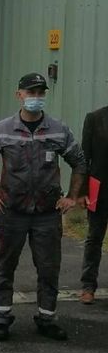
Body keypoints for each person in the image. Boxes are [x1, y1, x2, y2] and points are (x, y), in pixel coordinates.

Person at [0, 72, 86, 342]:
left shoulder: (58, 129)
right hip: (10, 213)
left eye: (40, 93)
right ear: (19, 95)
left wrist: (72, 196)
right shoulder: (3, 130)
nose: (35, 98)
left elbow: (78, 161)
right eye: (30, 93)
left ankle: (46, 318)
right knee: (4, 268)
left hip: (47, 215)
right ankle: (1, 319)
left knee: (48, 269)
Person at [78, 104, 108, 304]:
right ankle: (88, 286)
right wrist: (81, 192)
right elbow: (84, 157)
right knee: (94, 238)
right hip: (100, 190)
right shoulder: (95, 118)